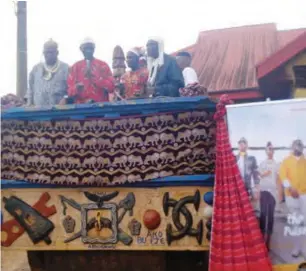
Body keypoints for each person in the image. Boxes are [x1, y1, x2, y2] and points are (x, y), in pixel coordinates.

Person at [65, 38, 115, 104]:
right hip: (81, 108)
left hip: (101, 107)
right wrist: (77, 88)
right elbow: (68, 91)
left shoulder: (103, 65)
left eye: (91, 48)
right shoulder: (75, 67)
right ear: (81, 49)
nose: (88, 51)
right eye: (86, 48)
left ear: (94, 49)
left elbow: (111, 87)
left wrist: (98, 80)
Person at [279, 139, 306, 258]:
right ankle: (296, 248)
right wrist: (290, 188)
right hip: (291, 196)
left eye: (301, 146)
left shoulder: (305, 161)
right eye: (296, 146)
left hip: (304, 196)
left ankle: (304, 248)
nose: (298, 148)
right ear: (292, 147)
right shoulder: (286, 161)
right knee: (295, 223)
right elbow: (283, 176)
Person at [27, 39, 69, 106]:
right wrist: (29, 104)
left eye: (51, 52)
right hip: (38, 110)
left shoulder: (66, 68)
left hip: (59, 111)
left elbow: (71, 90)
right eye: (46, 52)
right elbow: (30, 89)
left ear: (57, 52)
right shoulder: (36, 69)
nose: (48, 55)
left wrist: (66, 99)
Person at [258, 142, 278, 250]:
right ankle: (261, 239)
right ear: (266, 151)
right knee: (263, 214)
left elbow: (278, 178)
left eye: (271, 149)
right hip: (264, 191)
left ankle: (268, 241)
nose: (270, 151)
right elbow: (260, 174)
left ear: (273, 151)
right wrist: (266, 172)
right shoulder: (263, 163)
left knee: (270, 216)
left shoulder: (277, 164)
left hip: (273, 193)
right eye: (268, 149)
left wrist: (280, 194)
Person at [236, 137, 260, 202]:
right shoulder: (234, 159)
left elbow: (256, 174)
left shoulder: (252, 159)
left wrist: (257, 187)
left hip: (248, 186)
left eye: (243, 143)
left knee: (249, 204)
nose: (241, 144)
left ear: (246, 146)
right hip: (237, 186)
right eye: (240, 143)